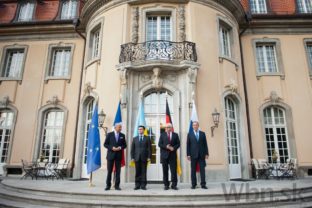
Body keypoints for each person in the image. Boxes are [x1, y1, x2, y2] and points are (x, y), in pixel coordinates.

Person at [104, 123, 127, 191]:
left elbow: (125, 145)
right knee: (109, 171)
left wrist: (120, 148)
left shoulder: (122, 135)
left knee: (118, 172)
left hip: (118, 156)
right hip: (110, 155)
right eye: (119, 127)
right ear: (115, 127)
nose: (120, 128)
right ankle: (108, 185)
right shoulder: (109, 134)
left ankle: (117, 186)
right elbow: (105, 144)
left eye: (121, 127)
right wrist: (111, 148)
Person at [187, 121, 209, 189]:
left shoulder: (202, 134)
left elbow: (205, 144)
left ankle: (203, 184)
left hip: (201, 154)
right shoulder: (189, 134)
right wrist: (188, 154)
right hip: (193, 155)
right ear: (192, 126)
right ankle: (193, 184)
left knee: (202, 170)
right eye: (194, 125)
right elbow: (188, 145)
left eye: (196, 125)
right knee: (193, 170)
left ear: (198, 126)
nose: (195, 126)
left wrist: (207, 153)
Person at [158, 123, 180, 190]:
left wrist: (174, 148)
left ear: (171, 128)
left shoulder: (175, 135)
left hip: (172, 155)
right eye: (167, 127)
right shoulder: (162, 135)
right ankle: (166, 185)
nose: (168, 128)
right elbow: (159, 144)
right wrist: (166, 146)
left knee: (173, 171)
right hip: (164, 156)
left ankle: (174, 185)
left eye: (169, 127)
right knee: (165, 171)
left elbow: (178, 144)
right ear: (165, 128)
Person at [131, 125, 151, 190]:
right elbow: (132, 149)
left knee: (144, 172)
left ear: (144, 130)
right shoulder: (135, 138)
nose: (140, 130)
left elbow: (149, 149)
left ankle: (143, 185)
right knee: (137, 172)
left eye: (141, 129)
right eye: (139, 129)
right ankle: (137, 185)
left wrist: (149, 157)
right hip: (136, 157)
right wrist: (132, 157)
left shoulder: (147, 138)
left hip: (144, 157)